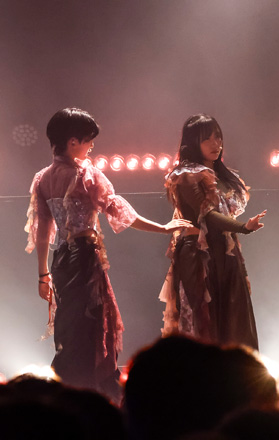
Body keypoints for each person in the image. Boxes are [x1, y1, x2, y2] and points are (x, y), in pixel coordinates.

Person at [25, 108, 191, 401]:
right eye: (88, 140)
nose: (91, 146)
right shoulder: (85, 174)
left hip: (61, 260)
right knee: (92, 324)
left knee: (71, 324)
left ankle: (70, 389)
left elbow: (42, 232)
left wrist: (43, 275)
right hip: (84, 258)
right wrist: (164, 228)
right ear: (73, 142)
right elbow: (118, 210)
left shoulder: (42, 179)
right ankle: (95, 392)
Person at [159, 114, 266, 349]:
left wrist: (242, 268)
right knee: (205, 326)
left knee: (236, 326)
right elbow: (206, 215)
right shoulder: (186, 175)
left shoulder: (225, 177)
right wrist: (243, 227)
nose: (215, 144)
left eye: (218, 137)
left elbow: (225, 225)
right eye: (207, 139)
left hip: (226, 254)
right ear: (193, 143)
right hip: (198, 256)